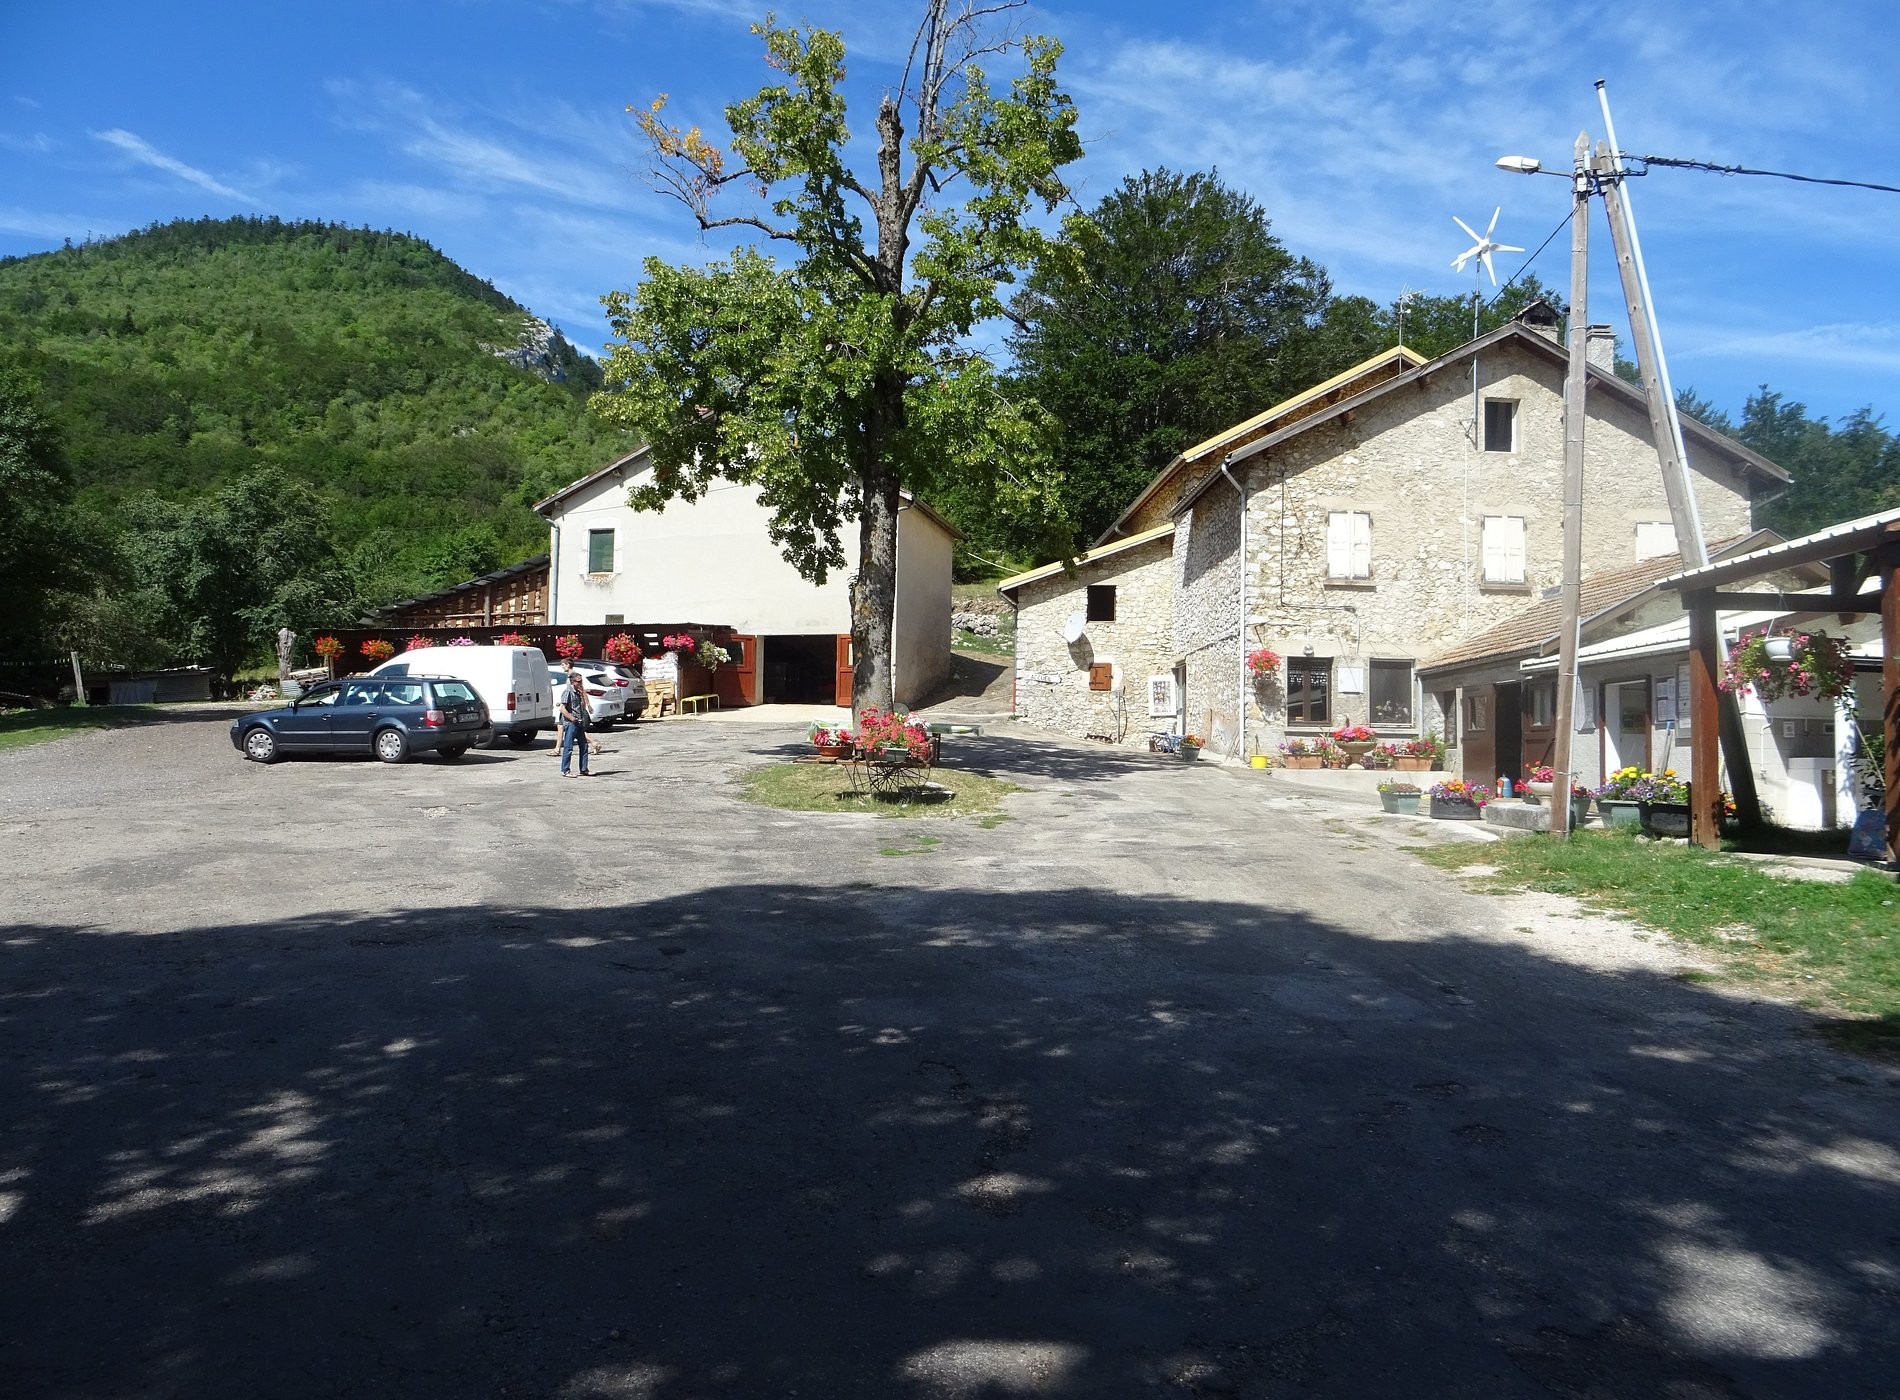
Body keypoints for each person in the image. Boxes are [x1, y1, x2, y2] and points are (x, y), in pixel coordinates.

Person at [558, 661, 592, 776]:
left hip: (579, 722)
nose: (580, 683)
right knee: (568, 747)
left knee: (584, 746)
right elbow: (562, 708)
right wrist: (572, 718)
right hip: (571, 723)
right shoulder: (568, 692)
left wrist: (583, 696)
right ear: (572, 682)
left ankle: (584, 769)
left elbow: (582, 707)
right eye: (578, 681)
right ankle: (565, 770)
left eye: (581, 681)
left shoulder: (578, 692)